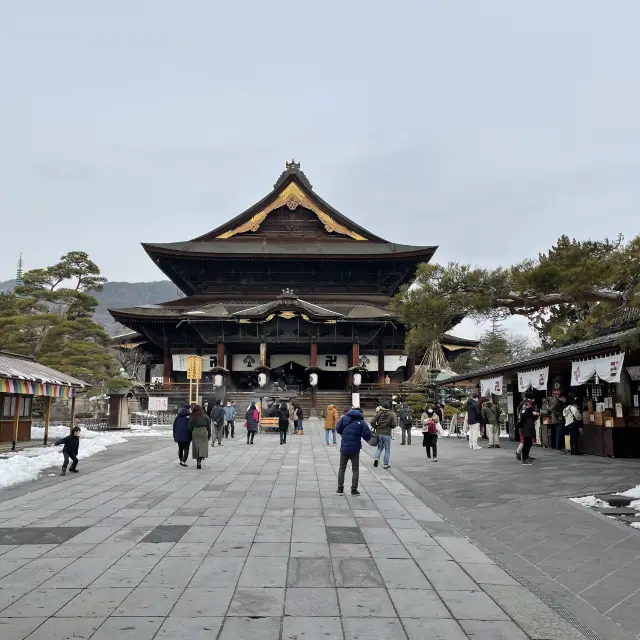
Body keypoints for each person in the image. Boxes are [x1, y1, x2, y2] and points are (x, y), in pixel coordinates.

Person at [336, 407, 372, 496]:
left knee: (342, 468)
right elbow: (367, 436)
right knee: (355, 469)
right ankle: (354, 489)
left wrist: (343, 433)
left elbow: (338, 429)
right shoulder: (361, 422)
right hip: (355, 448)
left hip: (344, 447)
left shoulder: (344, 418)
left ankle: (340, 489)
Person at [371, 401, 396, 469]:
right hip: (387, 433)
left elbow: (372, 422)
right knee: (387, 449)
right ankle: (385, 464)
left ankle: (376, 459)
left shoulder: (379, 413)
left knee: (379, 448)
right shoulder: (391, 414)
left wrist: (376, 427)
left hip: (379, 433)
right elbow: (394, 425)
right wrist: (390, 426)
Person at [517, 391, 538, 465]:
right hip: (526, 425)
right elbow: (523, 415)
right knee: (527, 442)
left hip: (528, 424)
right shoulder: (526, 404)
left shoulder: (526, 403)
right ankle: (524, 459)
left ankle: (526, 457)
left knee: (528, 442)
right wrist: (533, 414)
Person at [188, 405, 210, 469]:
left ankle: (197, 461)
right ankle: (200, 461)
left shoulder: (193, 417)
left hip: (195, 432)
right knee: (202, 447)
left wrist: (192, 432)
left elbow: (189, 427)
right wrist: (209, 435)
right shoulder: (205, 416)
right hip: (203, 431)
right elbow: (208, 426)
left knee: (196, 447)